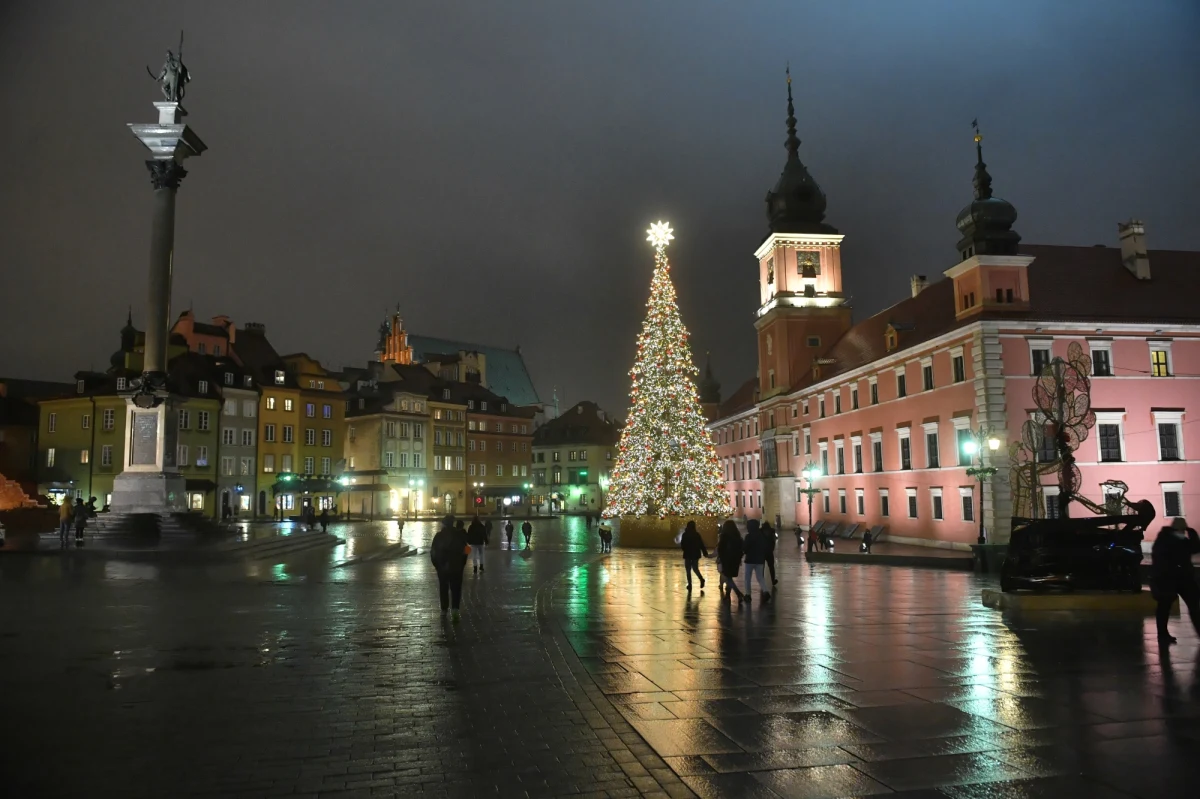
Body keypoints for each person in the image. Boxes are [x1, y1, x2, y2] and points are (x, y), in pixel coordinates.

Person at [1150, 517, 1200, 645]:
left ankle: (1164, 635)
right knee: (1165, 607)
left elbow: (1195, 548)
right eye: (1182, 529)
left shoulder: (1182, 540)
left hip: (1184, 578)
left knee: (1194, 606)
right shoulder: (1164, 540)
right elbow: (1160, 559)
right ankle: (1163, 635)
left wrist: (1192, 533)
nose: (1183, 532)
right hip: (1168, 578)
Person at [430, 514, 468, 620]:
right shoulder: (459, 535)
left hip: (442, 567)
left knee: (443, 588)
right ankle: (455, 610)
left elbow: (433, 552)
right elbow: (467, 549)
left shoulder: (438, 536)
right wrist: (462, 563)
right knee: (456, 588)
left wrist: (437, 565)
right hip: (457, 567)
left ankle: (444, 610)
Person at [716, 521, 746, 605]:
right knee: (729, 577)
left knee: (728, 578)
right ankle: (728, 595)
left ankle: (738, 593)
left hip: (726, 560)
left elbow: (720, 549)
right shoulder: (738, 537)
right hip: (735, 560)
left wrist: (720, 558)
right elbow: (742, 548)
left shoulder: (723, 537)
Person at [743, 519, 771, 603]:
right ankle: (765, 591)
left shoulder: (748, 536)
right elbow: (765, 547)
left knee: (748, 578)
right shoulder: (762, 536)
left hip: (750, 560)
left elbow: (745, 548)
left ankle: (748, 594)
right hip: (760, 560)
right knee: (760, 577)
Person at [679, 520, 708, 591]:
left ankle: (690, 584)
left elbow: (682, 545)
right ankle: (701, 579)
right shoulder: (697, 534)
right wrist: (704, 552)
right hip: (695, 554)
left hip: (688, 554)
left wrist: (685, 549)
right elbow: (701, 544)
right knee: (695, 568)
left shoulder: (685, 534)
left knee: (688, 570)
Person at [762, 521, 778, 586]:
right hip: (769, 552)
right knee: (771, 567)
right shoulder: (772, 532)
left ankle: (762, 580)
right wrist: (772, 548)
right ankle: (773, 580)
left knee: (761, 567)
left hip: (762, 552)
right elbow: (773, 541)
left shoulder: (760, 532)